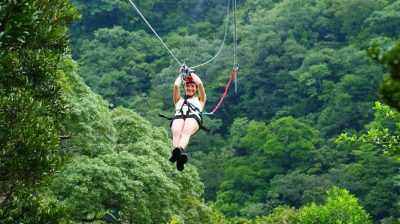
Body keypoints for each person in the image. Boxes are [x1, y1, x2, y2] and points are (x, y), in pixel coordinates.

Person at [169, 73, 206, 171]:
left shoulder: (200, 99)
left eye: (193, 86)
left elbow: (200, 84)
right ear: (185, 87)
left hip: (193, 118)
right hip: (179, 116)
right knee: (176, 132)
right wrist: (182, 76)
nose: (190, 88)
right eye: (188, 86)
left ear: (196, 89)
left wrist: (190, 73)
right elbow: (176, 85)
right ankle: (178, 157)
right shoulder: (178, 99)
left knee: (186, 131)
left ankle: (179, 151)